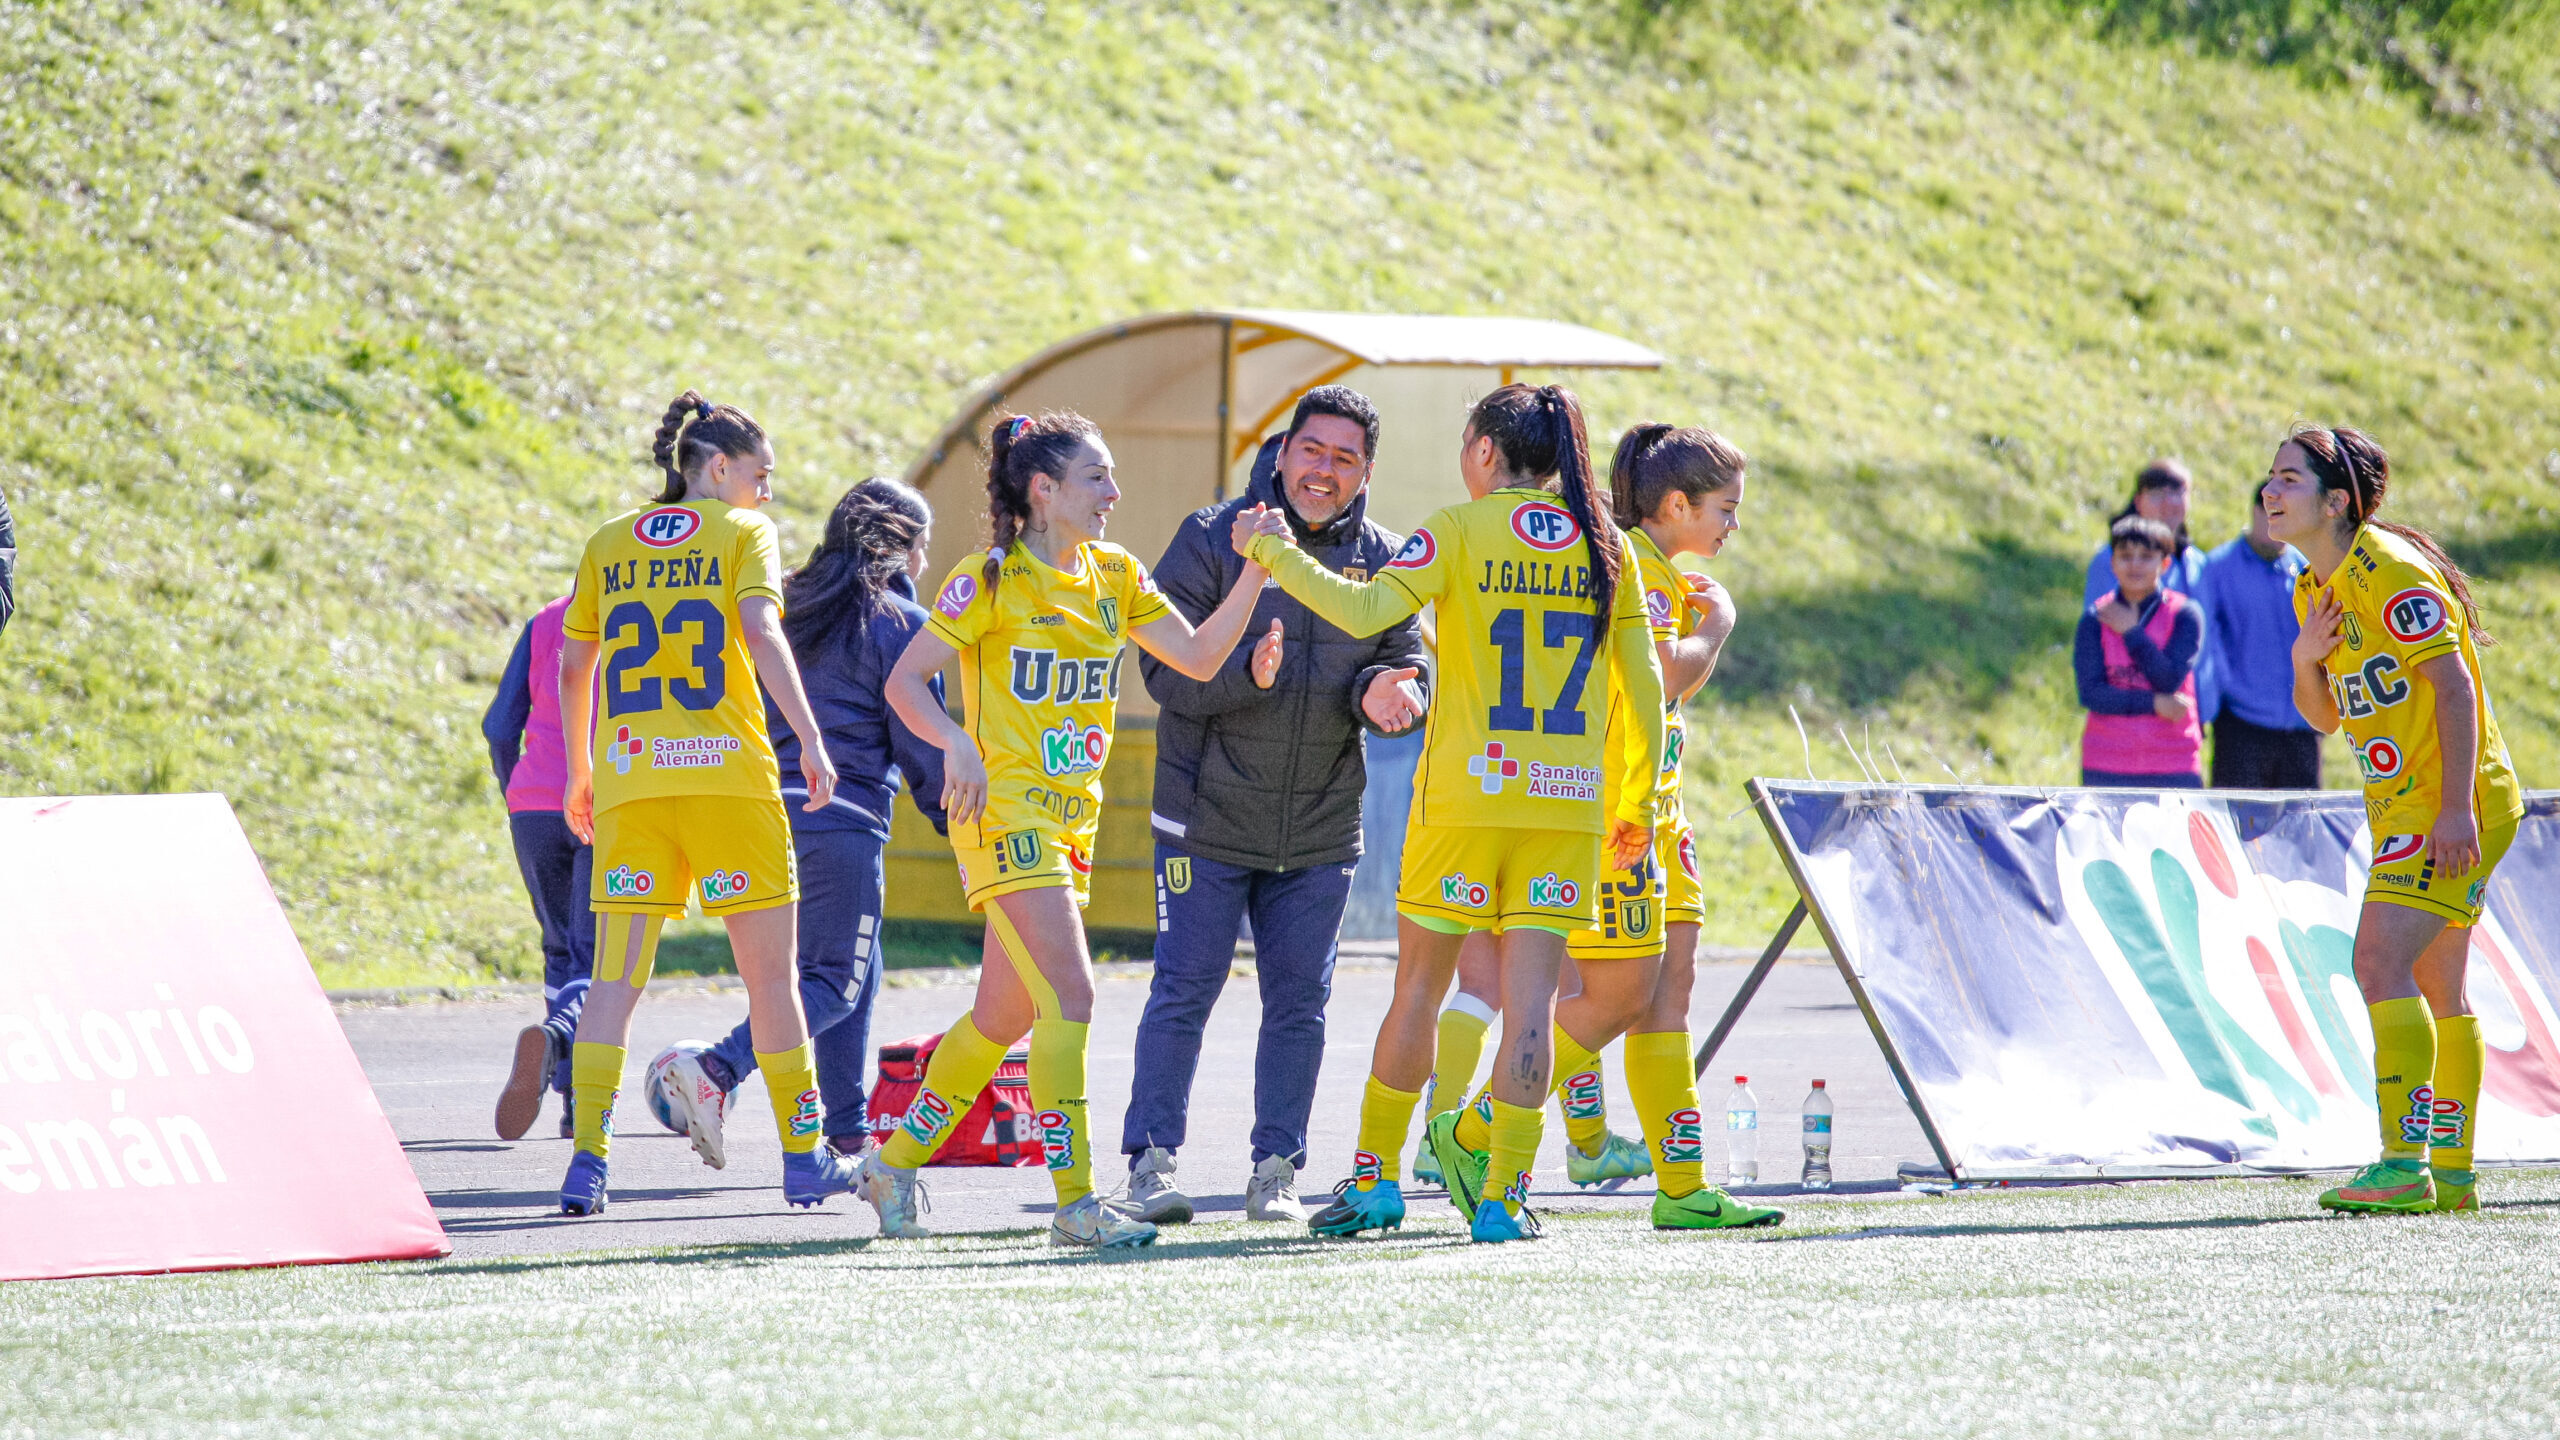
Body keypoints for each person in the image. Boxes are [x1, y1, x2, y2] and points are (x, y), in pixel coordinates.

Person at [1241, 382, 1664, 1244]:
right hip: (1568, 809)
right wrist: (1636, 803)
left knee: (1420, 991)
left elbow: (1364, 611)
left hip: (1466, 800)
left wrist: (1276, 554)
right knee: (1532, 1007)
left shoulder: (1458, 529)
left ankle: (1375, 1183)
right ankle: (1504, 1196)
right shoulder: (1606, 547)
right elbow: (1646, 688)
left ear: (1482, 452)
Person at [865, 411, 1272, 1250]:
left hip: (1069, 823)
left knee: (1001, 1020)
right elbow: (907, 685)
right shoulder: (989, 580)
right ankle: (1077, 1203)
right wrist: (956, 743)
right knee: (1074, 997)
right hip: (1004, 818)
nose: (1114, 495)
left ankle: (891, 1164)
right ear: (1043, 491)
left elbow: (1195, 658)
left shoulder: (1114, 574)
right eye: (1097, 478)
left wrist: (1254, 579)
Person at [1430, 423, 1780, 1231]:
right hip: (1622, 819)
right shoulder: (1643, 573)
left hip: (1659, 817)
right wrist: (1717, 626)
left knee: (1666, 999)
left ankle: (1682, 1185)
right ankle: (1478, 1128)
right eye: (1726, 509)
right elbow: (1661, 681)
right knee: (1623, 994)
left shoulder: (1650, 565)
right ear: (1677, 504)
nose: (1734, 526)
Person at [1119, 385, 1430, 1226]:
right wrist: (1242, 679)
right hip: (1204, 819)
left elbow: (1407, 660)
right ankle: (1149, 1166)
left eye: (1344, 458)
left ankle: (1276, 1172)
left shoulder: (1389, 557)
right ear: (1284, 451)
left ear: (1366, 471)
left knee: (1300, 1004)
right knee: (1184, 988)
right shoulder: (1210, 535)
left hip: (1322, 827)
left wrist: (1387, 691)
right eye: (1311, 450)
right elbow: (1158, 671)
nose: (1323, 471)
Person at [552, 390, 856, 1216]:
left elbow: (575, 667)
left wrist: (580, 771)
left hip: (631, 784)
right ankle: (803, 1157)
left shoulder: (607, 542)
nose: (768, 493)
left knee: (612, 981)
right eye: (762, 475)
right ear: (718, 469)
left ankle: (587, 1162)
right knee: (771, 983)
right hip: (729, 782)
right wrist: (813, 737)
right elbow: (760, 632)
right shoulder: (742, 531)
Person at [2265, 425, 2524, 1216]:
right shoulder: (2315, 586)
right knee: (2440, 987)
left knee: (2379, 963)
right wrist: (2306, 657)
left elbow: (2455, 690)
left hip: (2451, 800)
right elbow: (2325, 720)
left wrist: (2454, 811)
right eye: (2267, 479)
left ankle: (2400, 1163)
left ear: (2337, 500)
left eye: (2287, 479)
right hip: (2414, 806)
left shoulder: (2392, 570)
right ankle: (2450, 1174)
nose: (2268, 493)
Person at [656, 479, 949, 1168]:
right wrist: (956, 821)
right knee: (831, 981)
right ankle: (718, 1070)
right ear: (896, 548)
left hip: (758, 812)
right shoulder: (900, 624)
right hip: (839, 820)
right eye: (922, 548)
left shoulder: (782, 604)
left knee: (856, 967)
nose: (926, 565)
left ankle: (847, 1129)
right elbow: (924, 745)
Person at [482, 594, 594, 1141]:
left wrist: (517, 791)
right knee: (601, 959)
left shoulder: (544, 621)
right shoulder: (643, 612)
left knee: (560, 949)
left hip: (535, 807)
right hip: (608, 807)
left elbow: (500, 726)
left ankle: (572, 1096)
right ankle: (568, 1063)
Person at [2083, 460, 2218, 725]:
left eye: (2177, 493)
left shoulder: (2197, 563)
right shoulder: (2110, 561)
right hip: (2131, 710)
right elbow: (2100, 634)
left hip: (2189, 712)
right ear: (2138, 501)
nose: (2168, 503)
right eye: (2157, 495)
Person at [2201, 490, 2321, 788]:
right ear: (2254, 511)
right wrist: (2227, 690)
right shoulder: (2217, 568)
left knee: (2299, 829)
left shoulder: (2310, 569)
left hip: (2302, 725)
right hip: (2241, 724)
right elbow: (2208, 642)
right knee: (2238, 829)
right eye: (2271, 514)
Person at [2075, 515, 2204, 788]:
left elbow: (2168, 679)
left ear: (2165, 563)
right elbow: (2092, 694)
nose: (2135, 564)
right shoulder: (2094, 618)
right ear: (2112, 563)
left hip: (2173, 762)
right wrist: (2155, 704)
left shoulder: (2185, 614)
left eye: (2146, 556)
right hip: (2106, 762)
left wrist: (2132, 632)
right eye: (2125, 555)